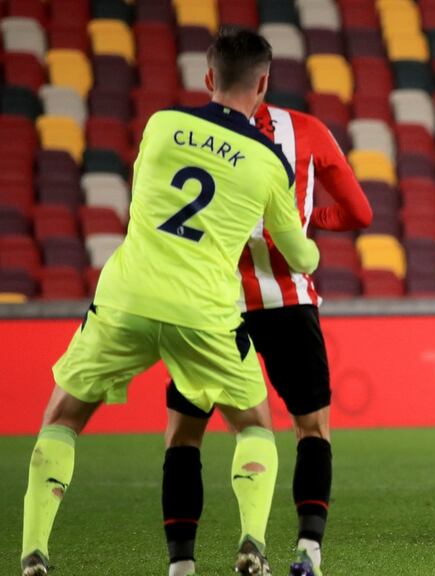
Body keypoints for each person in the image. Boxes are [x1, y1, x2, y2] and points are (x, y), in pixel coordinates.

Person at [19, 29, 319, 576]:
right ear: (264, 84)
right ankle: (252, 545)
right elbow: (298, 256)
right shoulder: (268, 161)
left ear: (208, 78)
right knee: (254, 425)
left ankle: (33, 552)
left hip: (126, 299)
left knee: (61, 417)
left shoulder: (159, 127)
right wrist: (310, 242)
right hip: (205, 312)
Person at [162, 99, 372, 576]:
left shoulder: (182, 129)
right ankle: (308, 553)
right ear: (263, 79)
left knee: (183, 436)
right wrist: (308, 219)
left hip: (208, 305)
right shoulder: (307, 130)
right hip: (287, 303)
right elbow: (359, 212)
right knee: (312, 429)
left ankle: (181, 565)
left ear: (212, 80)